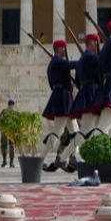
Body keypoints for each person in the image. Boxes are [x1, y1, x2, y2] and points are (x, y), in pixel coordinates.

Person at [60, 33, 104, 163]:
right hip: (91, 94)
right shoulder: (92, 57)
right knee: (86, 130)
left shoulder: (81, 60)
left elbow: (78, 82)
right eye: (96, 42)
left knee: (89, 129)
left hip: (85, 92)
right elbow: (102, 68)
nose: (97, 45)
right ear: (92, 42)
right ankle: (65, 156)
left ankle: (72, 156)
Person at [40, 40, 79, 172]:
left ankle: (73, 157)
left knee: (75, 132)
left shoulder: (53, 64)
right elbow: (72, 64)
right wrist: (87, 60)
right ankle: (42, 158)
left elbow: (52, 84)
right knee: (57, 132)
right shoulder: (58, 61)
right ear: (59, 48)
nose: (65, 50)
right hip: (63, 98)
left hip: (63, 96)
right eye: (63, 48)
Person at [0, 99, 16, 168]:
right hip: (10, 131)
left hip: (6, 131)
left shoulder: (4, 111)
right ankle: (10, 162)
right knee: (10, 146)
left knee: (6, 146)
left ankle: (7, 161)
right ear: (12, 104)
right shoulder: (13, 112)